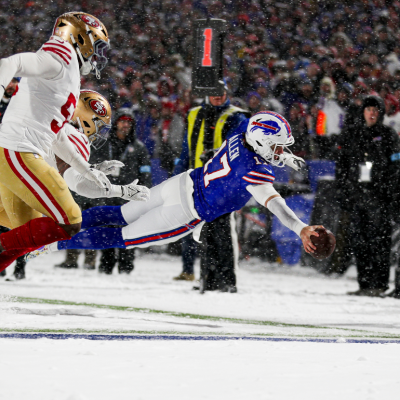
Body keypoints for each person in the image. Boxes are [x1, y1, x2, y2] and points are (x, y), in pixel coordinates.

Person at [28, 112, 325, 276]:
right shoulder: (253, 172)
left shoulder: (242, 133)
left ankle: (48, 227)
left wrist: (284, 157)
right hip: (184, 212)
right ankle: (46, 246)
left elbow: (256, 129)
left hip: (181, 183)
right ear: (261, 142)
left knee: (117, 214)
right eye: (277, 147)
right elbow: (277, 205)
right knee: (122, 238)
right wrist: (301, 228)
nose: (280, 152)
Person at [173, 82, 249, 292]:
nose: (218, 96)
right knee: (201, 231)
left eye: (221, 93)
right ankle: (207, 277)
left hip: (224, 183)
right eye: (214, 92)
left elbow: (240, 147)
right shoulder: (194, 114)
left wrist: (216, 155)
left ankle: (228, 280)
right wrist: (178, 175)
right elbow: (186, 149)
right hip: (198, 182)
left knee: (223, 233)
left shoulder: (236, 117)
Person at [336, 95, 400, 297]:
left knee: (379, 242)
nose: (372, 113)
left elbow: (396, 166)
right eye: (368, 109)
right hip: (357, 196)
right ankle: (364, 284)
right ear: (363, 112)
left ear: (381, 113)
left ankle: (379, 284)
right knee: (359, 241)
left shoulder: (389, 135)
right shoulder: (353, 134)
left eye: (375, 110)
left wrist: (387, 191)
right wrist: (345, 190)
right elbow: (343, 165)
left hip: (379, 197)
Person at [90, 107, 152, 274]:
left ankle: (126, 268)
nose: (125, 125)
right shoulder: (103, 145)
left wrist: (143, 193)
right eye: (122, 121)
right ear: (116, 123)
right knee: (106, 233)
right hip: (107, 196)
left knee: (128, 233)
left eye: (129, 122)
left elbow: (146, 173)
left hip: (129, 198)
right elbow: (93, 168)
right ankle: (106, 266)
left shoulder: (139, 148)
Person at [0, 77, 26, 279]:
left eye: (14, 82)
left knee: (21, 218)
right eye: (9, 82)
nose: (11, 86)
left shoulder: (24, 107)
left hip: (19, 166)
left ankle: (20, 266)